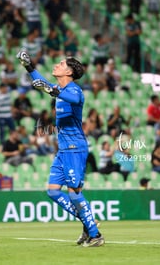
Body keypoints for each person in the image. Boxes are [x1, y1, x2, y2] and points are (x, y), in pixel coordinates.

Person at [16, 50, 104, 247]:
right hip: (63, 150)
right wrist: (29, 66)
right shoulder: (59, 89)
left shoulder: (75, 91)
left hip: (75, 147)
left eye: (61, 63)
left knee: (74, 193)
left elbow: (70, 98)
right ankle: (87, 222)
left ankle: (95, 235)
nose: (57, 65)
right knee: (53, 191)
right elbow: (43, 82)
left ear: (69, 72)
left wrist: (51, 90)